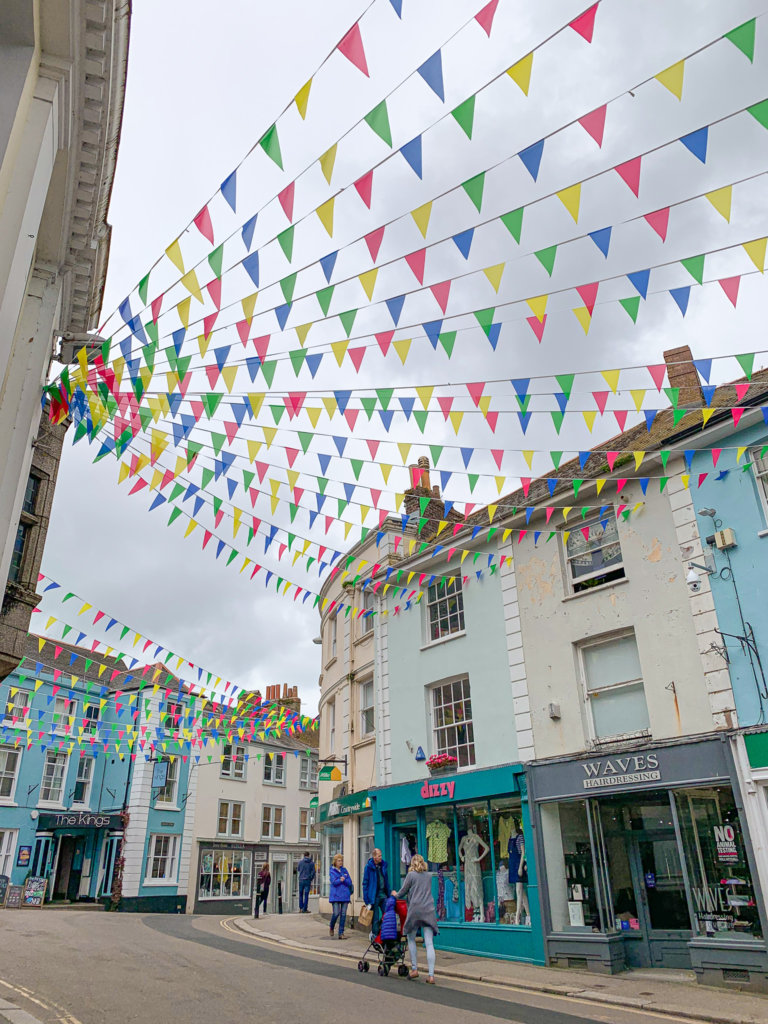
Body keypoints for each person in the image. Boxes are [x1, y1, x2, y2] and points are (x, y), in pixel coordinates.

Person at [393, 853, 439, 984]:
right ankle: (431, 975)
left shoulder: (411, 875)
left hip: (415, 910)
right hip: (428, 909)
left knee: (411, 938)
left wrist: (395, 894)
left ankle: (414, 969)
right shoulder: (429, 876)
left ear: (412, 863)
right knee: (429, 942)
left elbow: (402, 892)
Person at [362, 847, 389, 939]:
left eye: (381, 855)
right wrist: (366, 900)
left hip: (383, 894)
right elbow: (365, 883)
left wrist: (388, 893)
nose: (381, 857)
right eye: (379, 856)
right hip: (374, 896)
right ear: (374, 857)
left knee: (388, 914)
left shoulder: (383, 865)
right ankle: (374, 935)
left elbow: (386, 880)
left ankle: (384, 933)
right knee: (375, 918)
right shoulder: (368, 867)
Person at [328, 853, 353, 939]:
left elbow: (349, 882)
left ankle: (341, 933)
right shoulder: (332, 871)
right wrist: (342, 879)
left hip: (345, 895)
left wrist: (343, 879)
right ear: (335, 861)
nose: (340, 862)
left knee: (343, 914)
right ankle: (331, 926)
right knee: (336, 913)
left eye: (341, 860)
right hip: (335, 895)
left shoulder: (344, 870)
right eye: (339, 861)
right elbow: (334, 882)